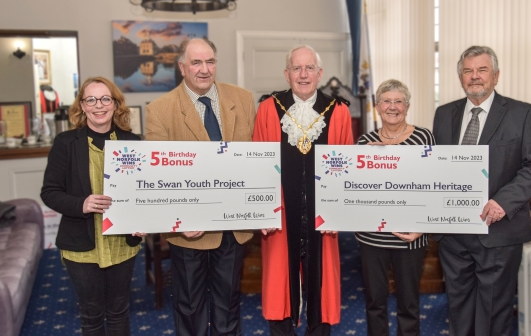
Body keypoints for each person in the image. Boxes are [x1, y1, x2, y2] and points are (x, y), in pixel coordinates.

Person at [432, 46, 531, 336]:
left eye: (481, 70)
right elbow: (435, 167)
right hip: (454, 236)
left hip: (498, 231)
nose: (475, 77)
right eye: (468, 71)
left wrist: (503, 202)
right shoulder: (444, 114)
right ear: (460, 78)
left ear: (495, 75)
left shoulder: (522, 113)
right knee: (458, 310)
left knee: (494, 313)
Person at [145, 37, 255, 336]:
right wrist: (180, 217)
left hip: (234, 225)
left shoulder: (243, 100)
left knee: (228, 304)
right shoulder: (160, 110)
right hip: (189, 231)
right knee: (190, 306)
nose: (204, 69)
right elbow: (159, 174)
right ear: (182, 67)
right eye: (196, 62)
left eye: (210, 62)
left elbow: (256, 162)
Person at [253, 45, 354, 336]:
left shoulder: (339, 112)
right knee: (278, 280)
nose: (303, 74)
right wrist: (262, 211)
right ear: (287, 74)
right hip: (281, 215)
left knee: (322, 280)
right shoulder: (268, 109)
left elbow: (345, 169)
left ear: (320, 73)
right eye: (297, 68)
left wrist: (339, 213)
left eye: (310, 68)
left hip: (322, 217)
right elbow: (259, 166)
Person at [41, 77, 142, 335]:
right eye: (91, 99)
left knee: (119, 312)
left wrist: (144, 221)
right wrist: (81, 204)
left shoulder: (133, 142)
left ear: (115, 104)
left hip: (121, 242)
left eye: (106, 98)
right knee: (91, 315)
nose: (99, 105)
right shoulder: (66, 143)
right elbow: (50, 192)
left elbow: (143, 192)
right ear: (82, 106)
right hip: (81, 245)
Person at [355, 79, 432, 336]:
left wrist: (423, 227)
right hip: (371, 236)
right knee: (375, 301)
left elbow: (434, 184)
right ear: (377, 107)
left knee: (409, 303)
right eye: (386, 101)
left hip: (411, 235)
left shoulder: (424, 137)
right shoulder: (364, 142)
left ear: (407, 106)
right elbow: (353, 189)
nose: (392, 107)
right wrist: (362, 160)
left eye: (398, 101)